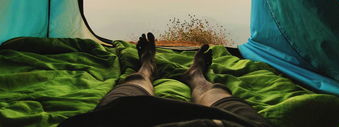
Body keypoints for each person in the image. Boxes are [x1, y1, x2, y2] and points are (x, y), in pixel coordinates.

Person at [59, 33, 272, 127]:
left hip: (120, 119)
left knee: (124, 100)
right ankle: (196, 75)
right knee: (224, 102)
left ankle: (146, 68)